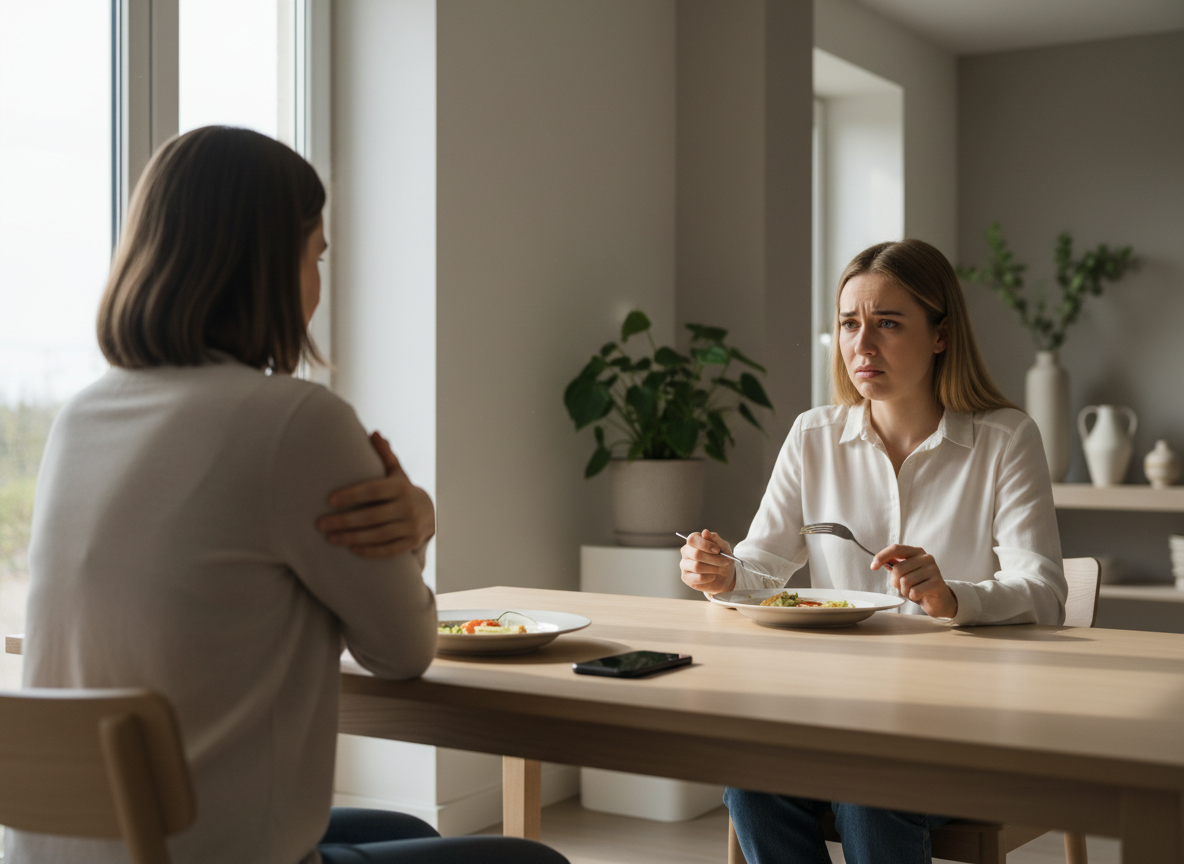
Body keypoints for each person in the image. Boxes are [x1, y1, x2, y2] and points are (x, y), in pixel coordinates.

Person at [10, 126, 567, 864]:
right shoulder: (295, 423)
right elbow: (401, 651)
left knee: (413, 835)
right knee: (530, 860)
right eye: (315, 256)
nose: (318, 280)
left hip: (66, 851)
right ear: (267, 267)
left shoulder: (78, 420)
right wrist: (418, 523)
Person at [679, 239, 1067, 864]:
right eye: (849, 324)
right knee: (751, 788)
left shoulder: (1006, 438)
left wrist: (951, 597)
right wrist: (721, 575)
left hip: (962, 722)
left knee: (868, 789)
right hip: (837, 716)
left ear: (941, 335)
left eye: (888, 324)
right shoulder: (813, 435)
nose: (862, 345)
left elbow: (1045, 593)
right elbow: (761, 569)